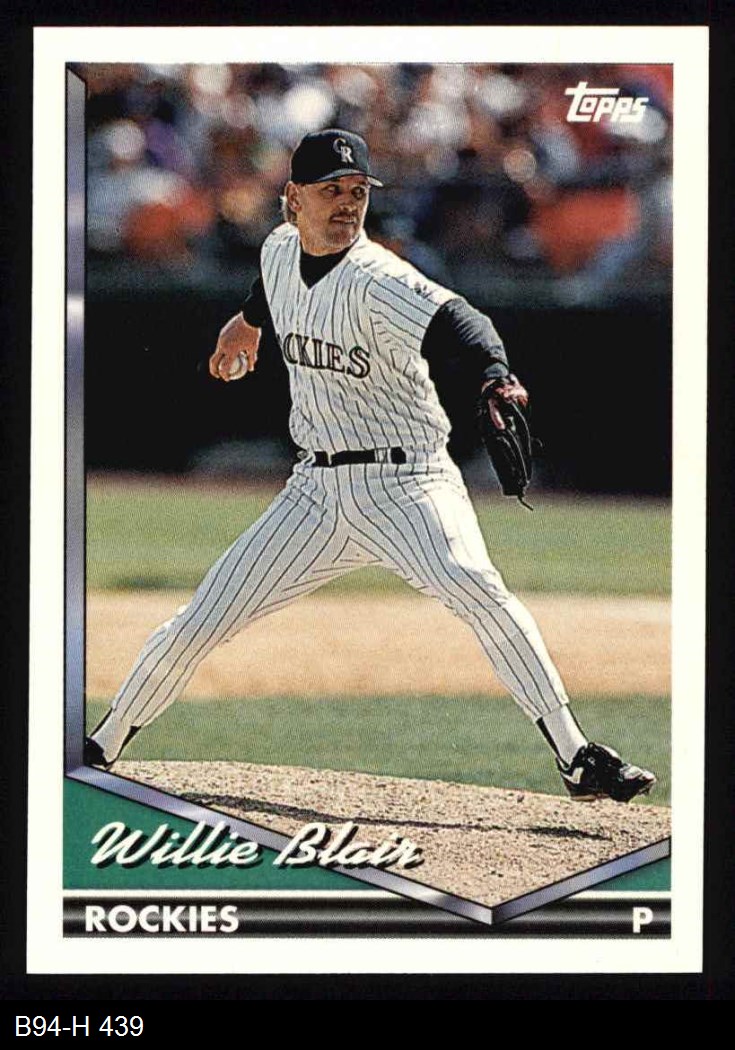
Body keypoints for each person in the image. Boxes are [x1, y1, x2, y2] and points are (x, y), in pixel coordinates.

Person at [86, 128, 655, 803]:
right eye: (331, 190)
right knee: (202, 618)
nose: (347, 203)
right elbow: (270, 287)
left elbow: (462, 320)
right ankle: (101, 744)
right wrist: (244, 324)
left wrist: (496, 375)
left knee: (479, 592)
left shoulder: (378, 279)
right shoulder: (278, 249)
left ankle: (576, 756)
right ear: (292, 199)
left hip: (408, 485)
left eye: (357, 191)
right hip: (314, 494)